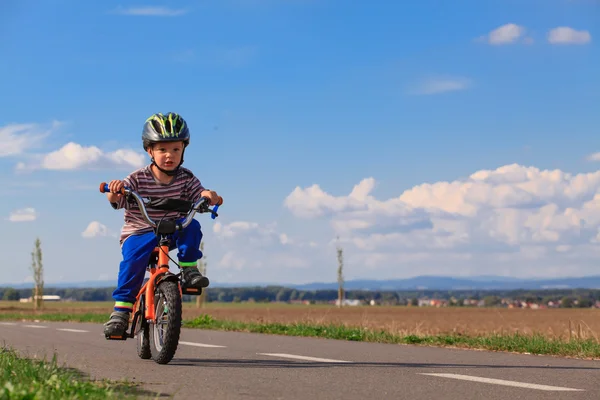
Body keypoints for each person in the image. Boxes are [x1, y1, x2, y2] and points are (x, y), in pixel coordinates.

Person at [102, 112, 220, 338]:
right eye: (162, 150)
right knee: (133, 262)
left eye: (176, 149)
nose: (169, 155)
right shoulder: (138, 178)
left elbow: (199, 192)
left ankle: (188, 269)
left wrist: (208, 195)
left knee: (192, 226)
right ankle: (121, 311)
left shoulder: (186, 178)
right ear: (150, 151)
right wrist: (115, 192)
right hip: (140, 232)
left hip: (172, 230)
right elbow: (118, 199)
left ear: (183, 150)